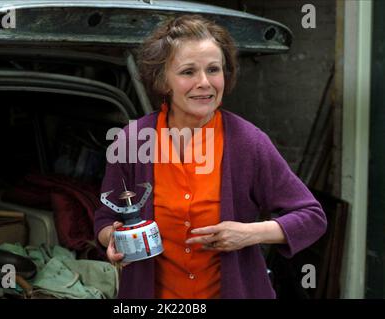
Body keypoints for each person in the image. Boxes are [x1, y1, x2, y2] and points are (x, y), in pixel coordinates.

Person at [94, 14, 327, 299]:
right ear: (162, 79)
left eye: (213, 70)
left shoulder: (248, 143)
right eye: (188, 72)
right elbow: (106, 217)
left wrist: (248, 234)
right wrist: (113, 239)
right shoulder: (132, 140)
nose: (204, 82)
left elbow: (312, 217)